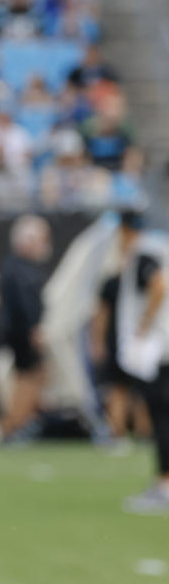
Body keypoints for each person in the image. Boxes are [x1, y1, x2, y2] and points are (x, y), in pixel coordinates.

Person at [105, 211, 169, 514]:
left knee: (163, 417)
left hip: (161, 350)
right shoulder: (159, 246)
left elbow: (159, 284)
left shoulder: (144, 252)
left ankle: (165, 484)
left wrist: (143, 329)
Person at [0, 214, 53, 442]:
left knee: (36, 376)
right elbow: (24, 303)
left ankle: (22, 421)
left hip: (22, 331)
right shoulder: (18, 269)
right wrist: (34, 328)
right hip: (22, 333)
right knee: (27, 376)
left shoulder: (21, 267)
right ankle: (13, 425)